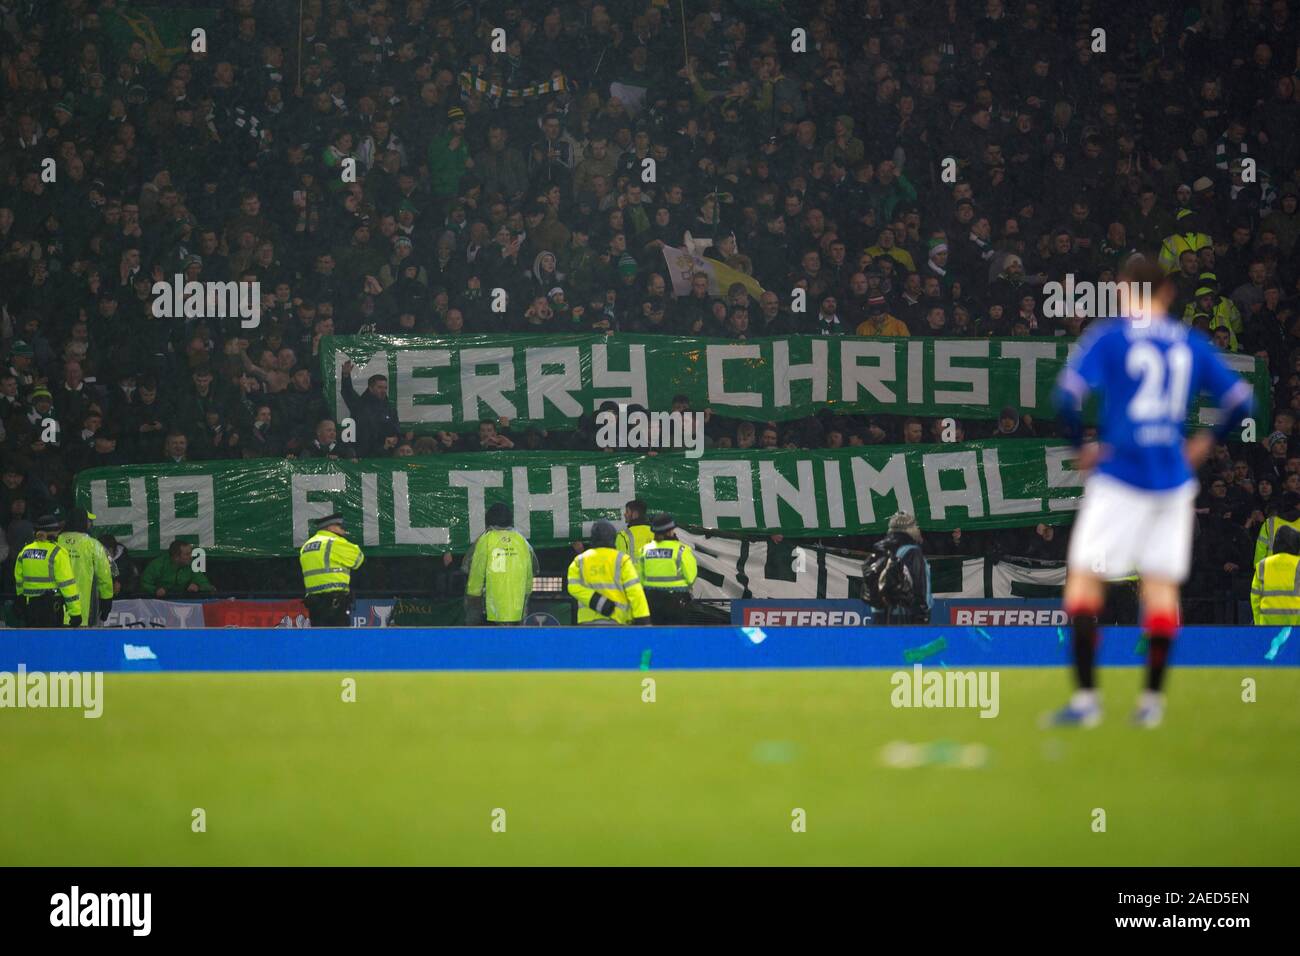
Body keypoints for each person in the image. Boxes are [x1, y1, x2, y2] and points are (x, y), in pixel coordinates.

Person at [1051, 261, 1252, 728]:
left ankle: (1086, 700)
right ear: (1169, 293)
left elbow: (1066, 398)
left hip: (1121, 474)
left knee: (1083, 582)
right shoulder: (1190, 342)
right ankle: (1152, 704)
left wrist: (1082, 448)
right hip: (1173, 480)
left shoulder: (1110, 337)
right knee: (1160, 589)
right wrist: (1204, 439)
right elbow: (1241, 399)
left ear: (1127, 290)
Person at [464, 502, 537, 624]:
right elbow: (529, 570)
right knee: (514, 639)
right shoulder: (521, 540)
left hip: (491, 605)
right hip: (517, 605)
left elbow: (477, 569)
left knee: (492, 639)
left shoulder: (486, 539)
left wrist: (473, 593)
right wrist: (527, 591)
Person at [567, 519, 650, 625]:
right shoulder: (622, 560)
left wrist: (596, 601)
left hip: (587, 621)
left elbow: (572, 587)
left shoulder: (580, 560)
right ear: (613, 537)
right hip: (617, 621)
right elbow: (635, 591)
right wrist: (643, 619)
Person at [14, 514, 82, 628]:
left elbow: (19, 580)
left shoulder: (25, 551)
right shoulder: (58, 553)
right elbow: (67, 585)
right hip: (51, 608)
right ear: (54, 533)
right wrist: (75, 613)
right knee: (52, 643)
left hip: (30, 607)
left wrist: (21, 598)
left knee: (34, 643)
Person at [863, 512, 931, 624]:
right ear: (911, 528)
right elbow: (918, 586)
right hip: (907, 614)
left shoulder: (880, 548)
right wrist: (922, 615)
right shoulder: (912, 552)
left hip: (879, 612)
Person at [298, 513, 364, 626]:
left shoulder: (306, 546)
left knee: (320, 638)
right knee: (339, 639)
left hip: (314, 603)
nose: (343, 530)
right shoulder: (334, 542)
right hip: (334, 602)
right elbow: (358, 559)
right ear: (330, 527)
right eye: (340, 526)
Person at [56, 508, 115, 626]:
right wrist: (107, 600)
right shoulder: (93, 545)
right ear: (83, 521)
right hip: (84, 611)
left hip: (56, 608)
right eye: (88, 521)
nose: (90, 524)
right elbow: (104, 577)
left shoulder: (57, 541)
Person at [639, 513, 698, 624]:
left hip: (651, 602)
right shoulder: (682, 550)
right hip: (676, 602)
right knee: (677, 638)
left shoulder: (644, 550)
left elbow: (640, 579)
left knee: (655, 637)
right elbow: (691, 577)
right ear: (670, 531)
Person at [1250, 526, 1300, 625]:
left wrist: (1258, 623)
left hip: (1267, 625)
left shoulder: (1262, 565)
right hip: (1296, 626)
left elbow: (1255, 598)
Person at [140, 540, 217, 597]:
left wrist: (198, 586)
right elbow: (143, 584)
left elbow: (206, 584)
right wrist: (155, 590)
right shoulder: (157, 565)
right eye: (187, 554)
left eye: (191, 553)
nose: (191, 556)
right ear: (176, 557)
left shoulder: (192, 565)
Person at [614, 499, 654, 578]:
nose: (625, 514)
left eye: (627, 511)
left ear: (635, 514)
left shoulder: (623, 536)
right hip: (656, 583)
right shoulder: (656, 532)